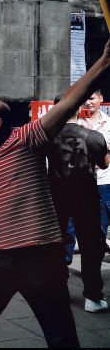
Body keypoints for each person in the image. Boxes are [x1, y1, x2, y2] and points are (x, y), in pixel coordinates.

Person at [0, 37, 110, 348]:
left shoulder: (27, 139)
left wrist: (104, 62)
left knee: (59, 332)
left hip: (39, 256)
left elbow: (69, 102)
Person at [47, 95, 109, 312]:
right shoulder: (94, 136)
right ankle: (93, 297)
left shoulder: (47, 136)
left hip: (56, 196)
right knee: (91, 247)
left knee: (56, 244)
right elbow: (103, 164)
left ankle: (56, 292)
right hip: (87, 196)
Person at [79, 89, 110, 253]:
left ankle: (96, 255)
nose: (88, 102)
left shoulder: (109, 123)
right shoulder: (76, 122)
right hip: (79, 181)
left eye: (91, 98)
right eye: (85, 98)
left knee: (100, 223)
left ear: (100, 99)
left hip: (103, 181)